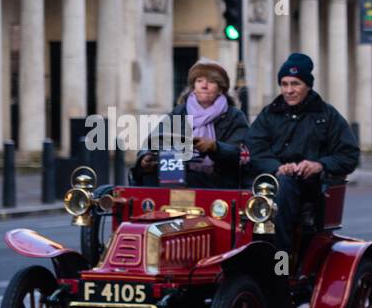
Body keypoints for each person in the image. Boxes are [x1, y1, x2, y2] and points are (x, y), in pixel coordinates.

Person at [243, 53, 360, 257]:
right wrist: (277, 167)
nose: (289, 90)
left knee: (283, 188)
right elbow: (253, 148)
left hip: (308, 186)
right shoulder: (269, 114)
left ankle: (281, 263)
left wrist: (320, 165)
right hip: (269, 180)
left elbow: (349, 154)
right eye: (284, 84)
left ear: (308, 85)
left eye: (295, 84)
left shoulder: (327, 115)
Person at [131, 59, 249, 188]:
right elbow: (153, 140)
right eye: (199, 81)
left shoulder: (234, 116)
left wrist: (215, 147)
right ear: (194, 87)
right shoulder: (179, 112)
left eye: (211, 82)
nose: (204, 86)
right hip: (179, 178)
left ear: (221, 89)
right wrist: (145, 157)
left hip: (218, 182)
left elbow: (243, 155)